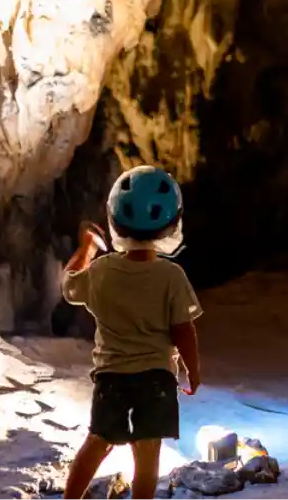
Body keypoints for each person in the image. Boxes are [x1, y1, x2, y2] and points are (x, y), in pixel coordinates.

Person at [60, 166, 203, 500]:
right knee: (147, 455)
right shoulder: (171, 276)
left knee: (98, 442)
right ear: (172, 224)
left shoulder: (101, 271)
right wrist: (193, 371)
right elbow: (183, 330)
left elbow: (69, 285)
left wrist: (87, 249)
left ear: (115, 220)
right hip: (156, 380)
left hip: (112, 378)